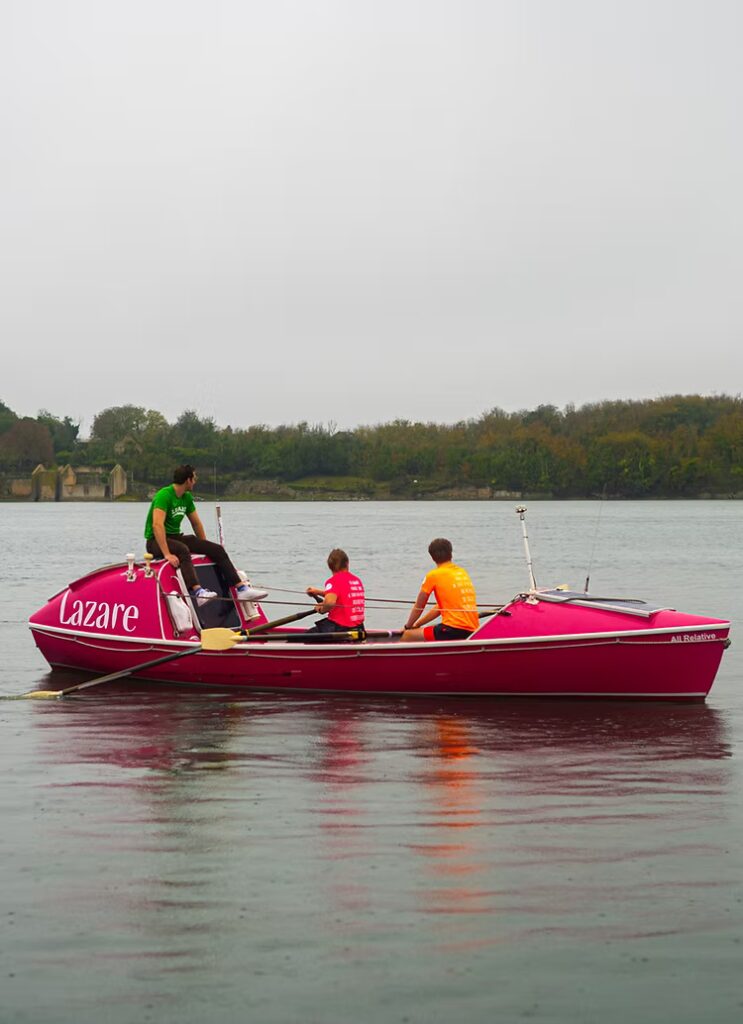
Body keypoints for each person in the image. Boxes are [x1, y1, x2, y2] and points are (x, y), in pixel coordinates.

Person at [144, 465, 266, 606]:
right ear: (188, 480)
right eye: (194, 478)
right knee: (182, 549)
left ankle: (241, 588)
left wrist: (205, 546)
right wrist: (166, 554)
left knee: (216, 549)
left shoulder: (186, 497)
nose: (195, 481)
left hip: (174, 537)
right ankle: (198, 592)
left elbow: (196, 524)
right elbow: (157, 525)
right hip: (155, 541)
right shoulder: (164, 495)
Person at [400, 538, 479, 642]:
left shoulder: (433, 575)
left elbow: (419, 606)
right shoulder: (462, 572)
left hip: (452, 630)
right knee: (422, 632)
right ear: (451, 554)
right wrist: (418, 624)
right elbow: (439, 608)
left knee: (406, 636)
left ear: (432, 557)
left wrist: (407, 627)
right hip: (473, 629)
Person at [306, 549, 365, 634]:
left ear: (330, 566)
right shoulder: (356, 580)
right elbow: (342, 595)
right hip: (359, 628)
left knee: (297, 639)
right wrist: (317, 592)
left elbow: (330, 603)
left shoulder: (334, 581)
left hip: (339, 629)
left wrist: (321, 609)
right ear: (347, 563)